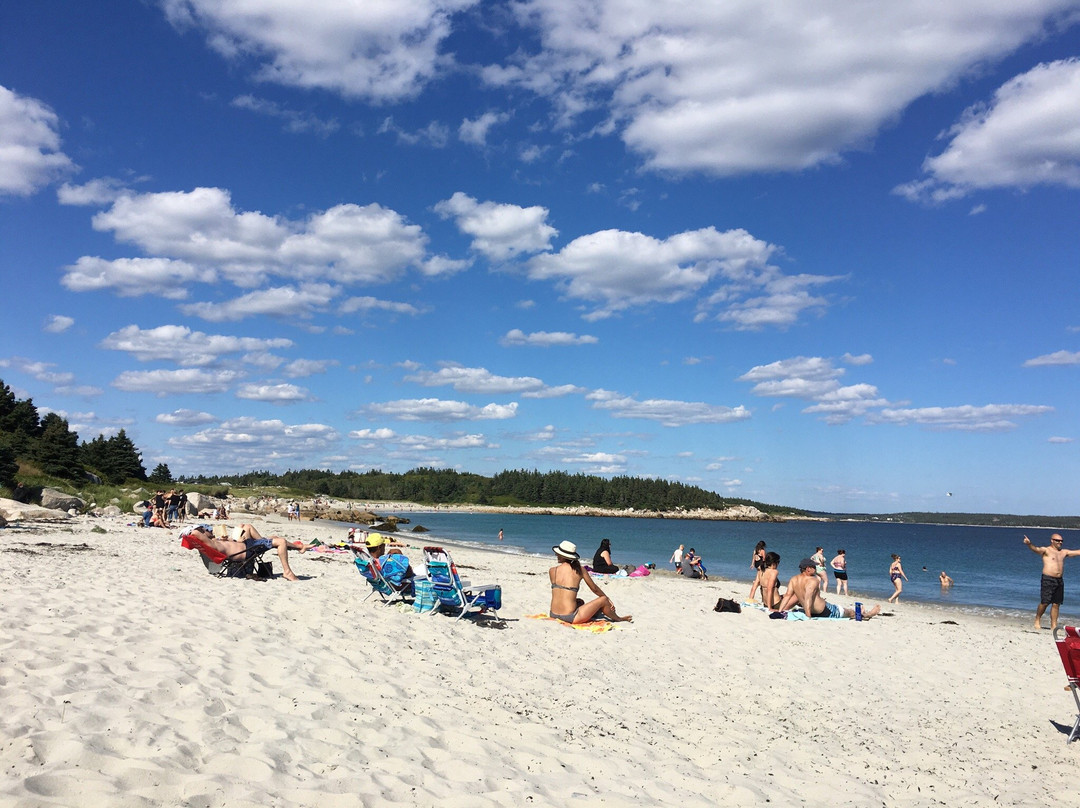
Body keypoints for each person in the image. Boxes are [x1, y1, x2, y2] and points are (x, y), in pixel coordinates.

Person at [183, 524, 308, 581]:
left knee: (246, 526)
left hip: (245, 545)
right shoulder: (212, 544)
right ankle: (287, 572)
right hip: (248, 550)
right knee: (281, 541)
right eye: (205, 529)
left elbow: (228, 545)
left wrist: (230, 539)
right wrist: (194, 530)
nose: (208, 529)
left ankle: (298, 547)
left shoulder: (215, 541)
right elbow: (194, 533)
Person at [549, 540, 631, 624]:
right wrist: (608, 600)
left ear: (562, 555)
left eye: (557, 554)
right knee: (603, 599)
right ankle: (618, 619)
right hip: (570, 617)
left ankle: (597, 612)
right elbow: (594, 588)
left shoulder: (552, 571)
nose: (556, 555)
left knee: (580, 602)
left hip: (553, 614)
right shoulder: (580, 570)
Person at [776, 558, 881, 620]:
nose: (816, 569)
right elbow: (808, 599)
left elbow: (787, 596)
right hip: (826, 610)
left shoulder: (794, 579)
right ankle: (867, 615)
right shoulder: (813, 580)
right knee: (850, 613)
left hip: (814, 610)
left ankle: (861, 610)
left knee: (848, 610)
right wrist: (808, 617)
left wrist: (780, 611)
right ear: (808, 568)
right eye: (814, 567)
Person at [1023, 533, 1080, 630]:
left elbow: (1077, 552)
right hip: (1048, 579)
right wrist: (1029, 544)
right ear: (1052, 540)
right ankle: (1037, 619)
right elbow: (1036, 549)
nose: (1060, 542)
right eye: (1057, 540)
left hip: (1059, 580)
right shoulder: (1046, 550)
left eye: (1061, 541)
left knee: (1056, 603)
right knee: (1045, 602)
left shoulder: (1063, 552)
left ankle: (1053, 625)